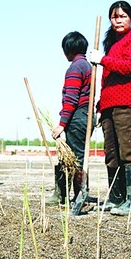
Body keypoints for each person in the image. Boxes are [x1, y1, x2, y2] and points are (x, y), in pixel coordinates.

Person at [88, 0, 131, 216]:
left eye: (122, 16)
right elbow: (107, 83)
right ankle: (116, 198)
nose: (118, 20)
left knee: (129, 153)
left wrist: (103, 60)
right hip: (108, 108)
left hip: (128, 106)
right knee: (112, 155)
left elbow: (129, 68)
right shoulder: (112, 46)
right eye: (115, 17)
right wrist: (98, 108)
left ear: (130, 18)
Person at [46, 31, 92, 206]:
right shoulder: (88, 65)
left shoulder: (75, 67)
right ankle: (74, 195)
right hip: (85, 115)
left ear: (68, 49)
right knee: (78, 156)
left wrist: (62, 124)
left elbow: (71, 98)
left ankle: (80, 197)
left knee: (75, 158)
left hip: (78, 115)